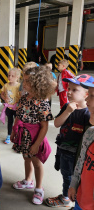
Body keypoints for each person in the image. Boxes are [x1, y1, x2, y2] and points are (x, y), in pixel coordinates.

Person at [45, 74, 93, 208]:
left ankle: (70, 199)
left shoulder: (88, 114)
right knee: (65, 175)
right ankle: (66, 196)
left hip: (76, 156)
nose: (69, 92)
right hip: (63, 150)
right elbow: (56, 123)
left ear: (86, 94)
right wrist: (67, 111)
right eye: (69, 88)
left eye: (74, 90)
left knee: (74, 178)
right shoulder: (67, 106)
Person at [11, 66, 56, 205]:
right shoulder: (24, 98)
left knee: (36, 162)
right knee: (26, 158)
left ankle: (38, 188)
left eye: (27, 81)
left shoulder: (42, 103)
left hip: (35, 136)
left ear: (37, 84)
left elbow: (44, 126)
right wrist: (14, 131)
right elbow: (18, 115)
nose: (23, 84)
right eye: (23, 80)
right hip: (23, 135)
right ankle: (28, 180)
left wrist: (37, 144)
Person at [68, 79, 94, 210]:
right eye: (88, 95)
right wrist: (74, 184)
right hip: (81, 198)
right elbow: (81, 162)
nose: (87, 101)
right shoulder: (90, 133)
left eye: (92, 96)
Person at [0, 68, 21, 144]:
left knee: (17, 122)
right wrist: (4, 98)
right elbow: (2, 94)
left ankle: (18, 136)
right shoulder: (6, 85)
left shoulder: (19, 86)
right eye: (9, 75)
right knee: (10, 121)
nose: (10, 77)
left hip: (17, 107)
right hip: (9, 107)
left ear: (17, 77)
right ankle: (9, 135)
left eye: (13, 76)